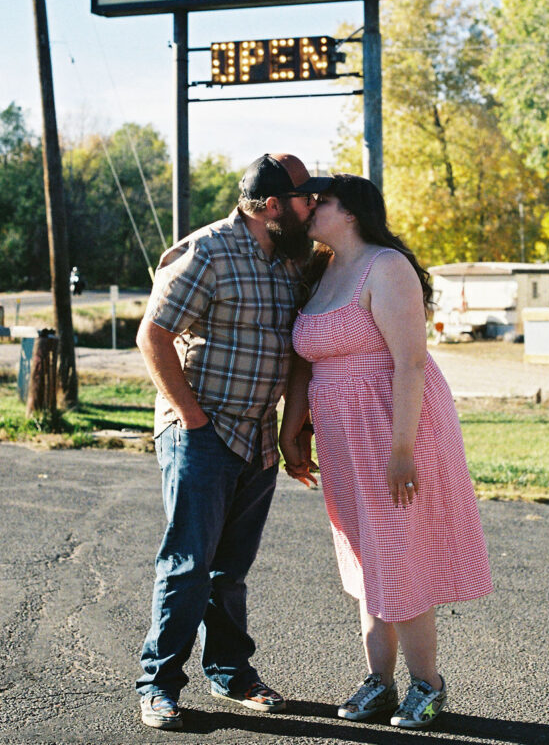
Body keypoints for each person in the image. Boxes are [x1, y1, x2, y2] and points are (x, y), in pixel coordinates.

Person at [280, 174, 492, 730]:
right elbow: (307, 358)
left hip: (395, 427)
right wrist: (295, 425)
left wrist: (402, 451)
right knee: (364, 552)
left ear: (350, 212)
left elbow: (411, 363)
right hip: (342, 434)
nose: (308, 209)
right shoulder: (322, 270)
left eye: (319, 202)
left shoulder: (386, 266)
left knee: (400, 551)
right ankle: (379, 681)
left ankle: (428, 685)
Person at [135, 152, 331, 731]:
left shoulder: (289, 260)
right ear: (272, 207)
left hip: (258, 438)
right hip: (202, 431)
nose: (312, 206)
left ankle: (231, 673)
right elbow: (154, 335)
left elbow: (297, 349)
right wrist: (192, 419)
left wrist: (291, 429)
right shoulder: (209, 251)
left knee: (231, 570)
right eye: (305, 199)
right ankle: (159, 685)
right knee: (187, 565)